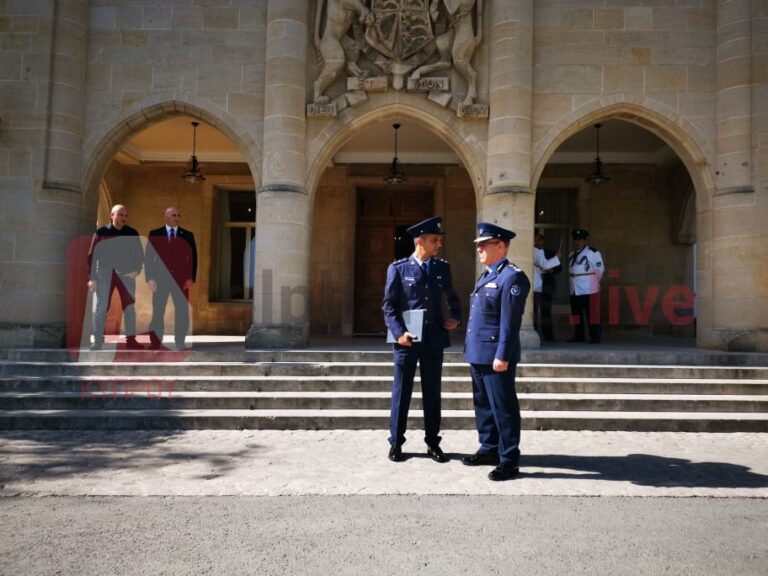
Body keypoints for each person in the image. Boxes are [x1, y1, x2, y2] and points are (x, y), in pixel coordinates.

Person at [382, 216, 462, 463]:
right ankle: (396, 442)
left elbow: (453, 298)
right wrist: (398, 333)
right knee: (401, 392)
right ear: (420, 241)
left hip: (434, 339)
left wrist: (455, 318)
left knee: (432, 393)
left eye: (439, 240)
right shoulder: (398, 268)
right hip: (406, 340)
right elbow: (389, 307)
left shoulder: (441, 267)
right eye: (434, 240)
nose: (439, 244)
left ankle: (432, 443)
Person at [463, 222, 530, 481]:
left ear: (500, 246)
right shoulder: (488, 274)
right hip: (479, 352)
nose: (479, 249)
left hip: (495, 356)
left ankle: (509, 459)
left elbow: (510, 323)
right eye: (478, 245)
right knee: (483, 405)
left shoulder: (512, 276)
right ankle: (489, 448)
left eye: (483, 245)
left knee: (503, 407)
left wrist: (502, 354)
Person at [87, 204, 144, 350]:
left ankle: (131, 341)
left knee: (130, 308)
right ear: (111, 215)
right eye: (120, 215)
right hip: (104, 274)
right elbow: (92, 256)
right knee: (101, 308)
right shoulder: (101, 232)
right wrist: (92, 278)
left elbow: (139, 255)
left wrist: (136, 271)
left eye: (125, 215)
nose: (123, 218)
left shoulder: (132, 233)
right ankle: (98, 341)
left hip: (126, 275)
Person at [145, 207, 198, 350]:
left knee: (182, 312)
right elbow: (149, 258)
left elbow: (193, 258)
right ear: (165, 217)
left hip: (181, 281)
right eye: (173, 215)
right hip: (159, 280)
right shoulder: (155, 234)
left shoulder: (187, 235)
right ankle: (155, 342)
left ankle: (180, 341)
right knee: (158, 311)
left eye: (178, 215)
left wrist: (190, 278)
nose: (176, 218)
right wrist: (149, 278)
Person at [567, 228, 604, 344]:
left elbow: (600, 270)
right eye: (575, 240)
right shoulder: (571, 254)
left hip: (589, 288)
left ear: (585, 241)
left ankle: (595, 336)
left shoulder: (592, 253)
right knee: (576, 315)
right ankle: (579, 335)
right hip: (575, 289)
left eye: (580, 240)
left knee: (591, 314)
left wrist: (595, 284)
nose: (577, 242)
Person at [533, 233, 561, 343]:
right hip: (537, 286)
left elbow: (558, 269)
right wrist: (557, 258)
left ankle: (548, 336)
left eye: (540, 240)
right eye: (537, 239)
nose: (539, 242)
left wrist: (552, 269)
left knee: (545, 312)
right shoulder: (536, 251)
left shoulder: (547, 251)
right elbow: (545, 265)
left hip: (545, 286)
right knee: (535, 312)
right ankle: (536, 334)